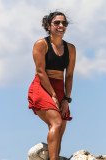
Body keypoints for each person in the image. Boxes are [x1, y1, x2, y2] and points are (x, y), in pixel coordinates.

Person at [28, 11, 76, 160]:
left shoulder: (71, 49)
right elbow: (40, 72)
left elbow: (68, 75)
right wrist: (53, 95)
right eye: (57, 23)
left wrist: (66, 99)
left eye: (64, 23)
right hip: (42, 86)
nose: (61, 26)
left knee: (60, 126)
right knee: (55, 121)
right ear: (49, 26)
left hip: (60, 87)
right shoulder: (41, 44)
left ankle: (52, 157)